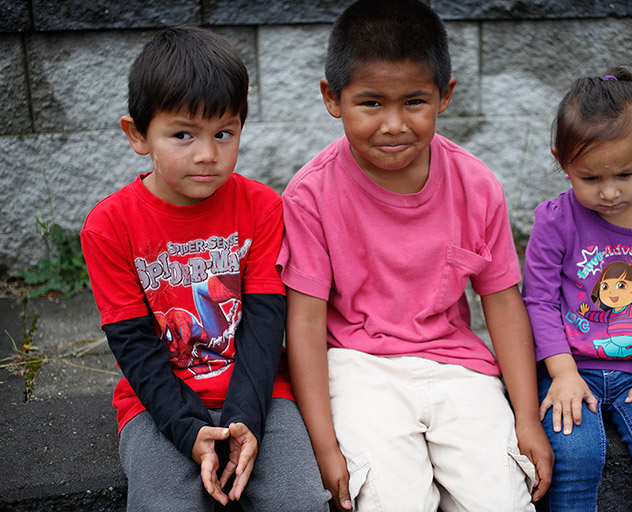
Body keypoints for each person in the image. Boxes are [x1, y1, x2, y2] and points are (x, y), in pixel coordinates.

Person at [277, 1, 553, 511]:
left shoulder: (476, 185)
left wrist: (526, 417)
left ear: (444, 97)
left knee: (503, 502)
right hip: (358, 369)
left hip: (458, 368)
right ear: (331, 98)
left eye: (413, 102)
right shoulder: (311, 195)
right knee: (393, 502)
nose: (393, 124)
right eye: (371, 103)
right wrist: (325, 446)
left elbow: (503, 302)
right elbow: (307, 326)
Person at [80, 26, 330, 512]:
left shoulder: (262, 207)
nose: (207, 155)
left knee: (299, 499)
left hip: (262, 396)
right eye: (182, 135)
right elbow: (133, 343)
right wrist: (188, 429)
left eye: (223, 133)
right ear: (137, 134)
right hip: (156, 406)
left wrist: (243, 423)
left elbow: (263, 325)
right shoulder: (109, 226)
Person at [522, 67, 632, 511]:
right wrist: (561, 373)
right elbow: (538, 300)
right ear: (562, 160)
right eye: (590, 178)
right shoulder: (555, 221)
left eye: (624, 174)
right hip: (568, 366)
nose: (609, 192)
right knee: (573, 452)